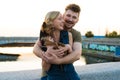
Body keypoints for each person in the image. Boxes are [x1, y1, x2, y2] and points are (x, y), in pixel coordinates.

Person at [33, 4, 82, 80]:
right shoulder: (46, 35)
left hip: (67, 73)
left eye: (74, 17)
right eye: (68, 16)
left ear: (77, 20)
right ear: (63, 15)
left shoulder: (73, 34)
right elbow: (35, 48)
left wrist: (59, 60)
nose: (70, 19)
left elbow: (77, 54)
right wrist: (46, 54)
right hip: (49, 74)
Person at [36, 11, 73, 80]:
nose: (63, 21)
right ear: (51, 22)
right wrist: (48, 53)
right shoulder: (44, 38)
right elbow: (46, 68)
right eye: (60, 19)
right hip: (54, 75)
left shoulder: (68, 35)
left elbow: (71, 57)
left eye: (62, 19)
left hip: (70, 74)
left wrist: (68, 47)